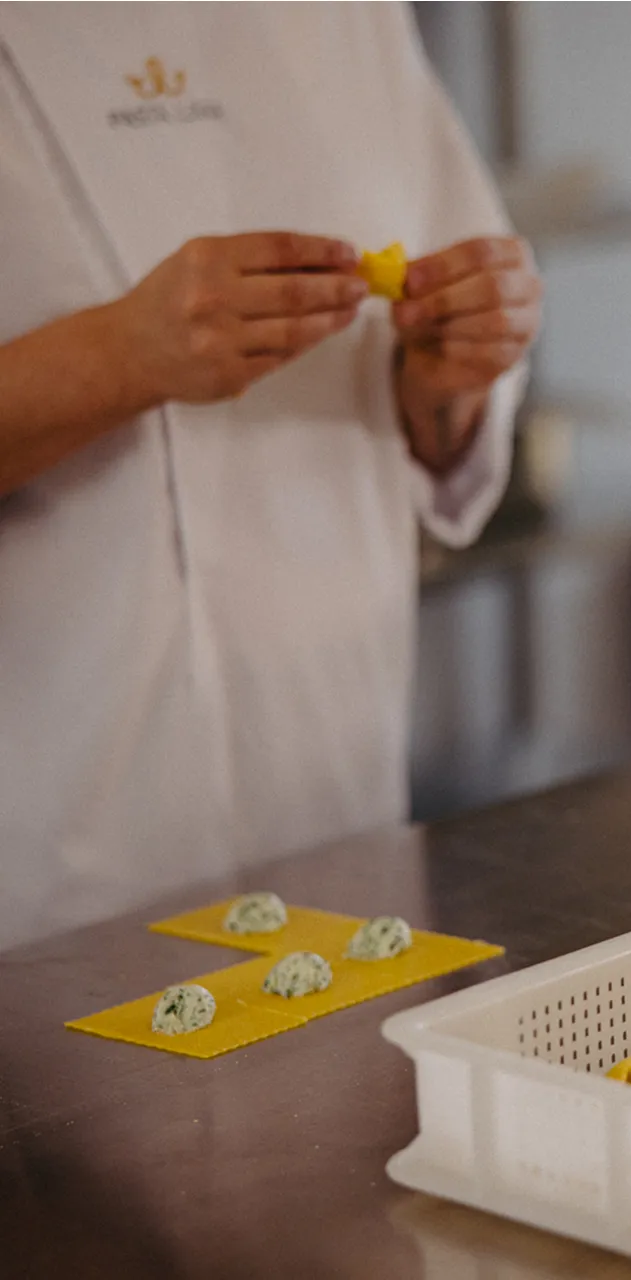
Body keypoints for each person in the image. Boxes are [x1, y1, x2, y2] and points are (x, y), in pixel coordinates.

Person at [0, 3, 541, 949]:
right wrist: (117, 358)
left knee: (337, 1077)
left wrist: (447, 377)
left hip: (336, 777)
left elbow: (438, 414)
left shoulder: (353, 20)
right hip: (53, 826)